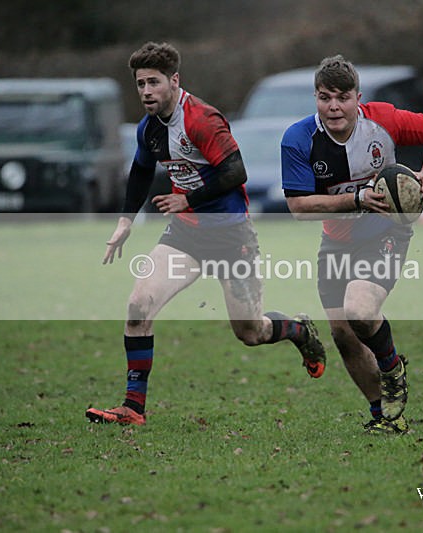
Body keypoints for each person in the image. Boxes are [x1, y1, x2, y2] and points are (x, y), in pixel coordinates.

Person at [86, 42, 326, 426]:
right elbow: (140, 172)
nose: (146, 91)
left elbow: (236, 173)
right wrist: (126, 221)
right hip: (185, 236)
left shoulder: (201, 119)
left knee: (249, 331)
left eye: (154, 82)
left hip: (232, 237)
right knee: (138, 306)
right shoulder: (150, 129)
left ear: (174, 81)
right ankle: (133, 407)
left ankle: (297, 330)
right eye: (140, 84)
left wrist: (187, 199)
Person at [280, 55, 423, 434]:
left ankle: (392, 367)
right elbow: (298, 207)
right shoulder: (298, 139)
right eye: (325, 97)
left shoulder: (383, 121)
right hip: (336, 241)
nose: (333, 106)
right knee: (343, 335)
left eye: (342, 97)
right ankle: (387, 417)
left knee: (360, 310)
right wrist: (356, 199)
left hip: (385, 233)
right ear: (316, 97)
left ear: (357, 97)